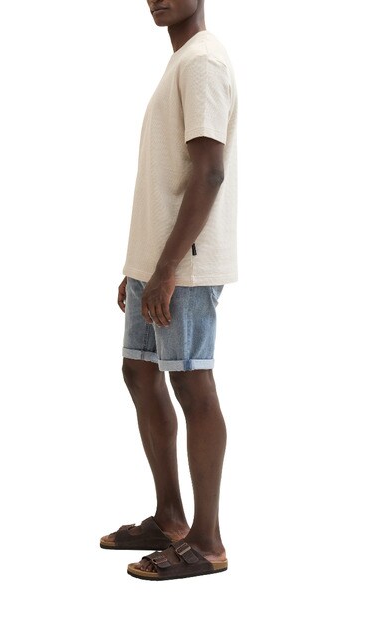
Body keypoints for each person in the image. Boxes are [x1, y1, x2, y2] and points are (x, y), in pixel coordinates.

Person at [100, 0, 238, 581]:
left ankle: (207, 542)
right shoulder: (181, 61)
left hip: (184, 265)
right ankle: (171, 518)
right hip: (157, 262)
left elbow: (209, 172)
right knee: (139, 372)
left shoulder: (202, 61)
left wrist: (165, 269)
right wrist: (140, 267)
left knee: (191, 383)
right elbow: (169, 176)